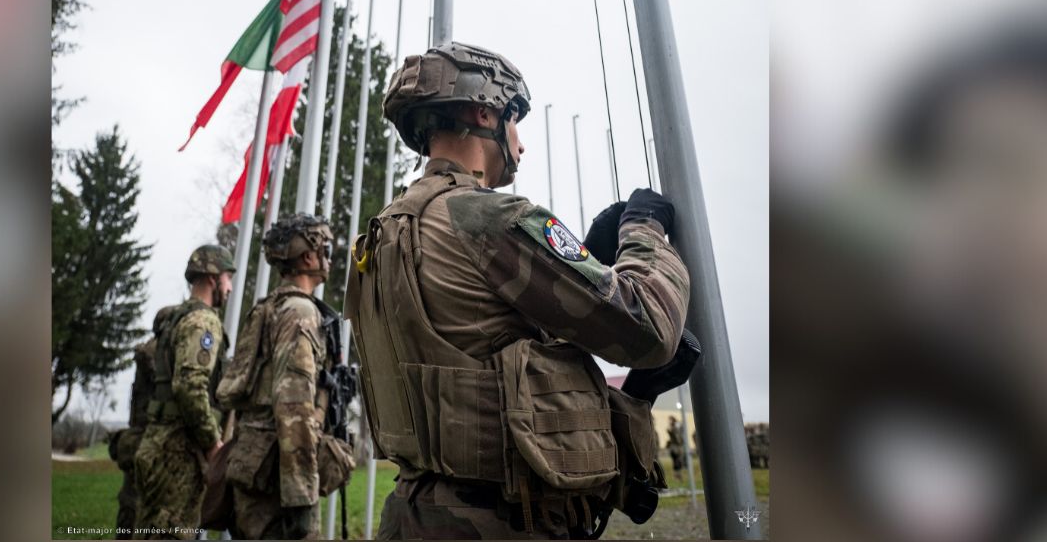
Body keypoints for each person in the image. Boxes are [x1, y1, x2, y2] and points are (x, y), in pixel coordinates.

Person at [349, 42, 695, 539]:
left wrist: (586, 267)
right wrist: (644, 229)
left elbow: (472, 351)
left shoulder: (380, 235)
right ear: (482, 110)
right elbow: (648, 328)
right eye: (514, 120)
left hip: (413, 514)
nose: (520, 142)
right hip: (503, 521)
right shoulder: (486, 216)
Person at [215, 212, 356, 540]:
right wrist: (301, 496)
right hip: (278, 477)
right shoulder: (300, 314)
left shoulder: (269, 308)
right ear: (309, 256)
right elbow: (293, 406)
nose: (330, 259)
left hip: (257, 466)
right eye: (327, 249)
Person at [134, 244, 235, 539]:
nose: (229, 287)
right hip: (178, 453)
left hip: (158, 444)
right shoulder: (202, 321)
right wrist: (213, 443)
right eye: (228, 277)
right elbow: (190, 387)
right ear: (213, 278)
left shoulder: (175, 319)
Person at [109, 335, 157, 535]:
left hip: (137, 444)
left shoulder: (149, 350)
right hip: (148, 445)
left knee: (130, 511)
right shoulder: (157, 353)